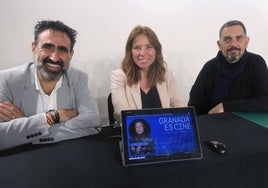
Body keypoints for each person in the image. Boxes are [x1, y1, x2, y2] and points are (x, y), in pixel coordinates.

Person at [0, 20, 101, 150]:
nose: (54, 58)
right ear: (33, 48)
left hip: (64, 157)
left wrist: (28, 129)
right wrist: (52, 117)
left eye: (62, 50)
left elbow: (93, 124)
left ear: (71, 54)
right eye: (47, 47)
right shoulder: (7, 80)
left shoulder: (78, 78)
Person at [188, 20, 268, 115]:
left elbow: (265, 101)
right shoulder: (209, 68)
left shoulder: (256, 63)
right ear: (219, 45)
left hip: (248, 126)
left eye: (239, 38)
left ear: (246, 42)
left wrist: (226, 107)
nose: (233, 44)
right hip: (214, 125)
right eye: (227, 39)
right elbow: (194, 106)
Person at [110, 25, 186, 122]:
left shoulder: (166, 74)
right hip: (136, 134)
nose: (142, 53)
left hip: (164, 134)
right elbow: (122, 115)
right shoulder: (119, 76)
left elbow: (181, 106)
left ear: (156, 50)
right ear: (130, 51)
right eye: (137, 48)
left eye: (149, 47)